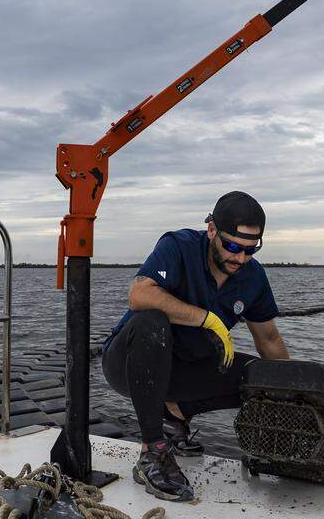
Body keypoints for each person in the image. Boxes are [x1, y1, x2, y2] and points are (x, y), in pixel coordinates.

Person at [101, 191, 289, 502]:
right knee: (151, 320)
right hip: (129, 364)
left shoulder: (252, 275)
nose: (239, 258)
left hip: (185, 371)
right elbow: (139, 294)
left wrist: (292, 388)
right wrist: (208, 319)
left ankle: (176, 413)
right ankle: (153, 453)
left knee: (262, 376)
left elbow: (269, 339)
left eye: (250, 250)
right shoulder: (179, 246)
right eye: (232, 246)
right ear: (211, 229)